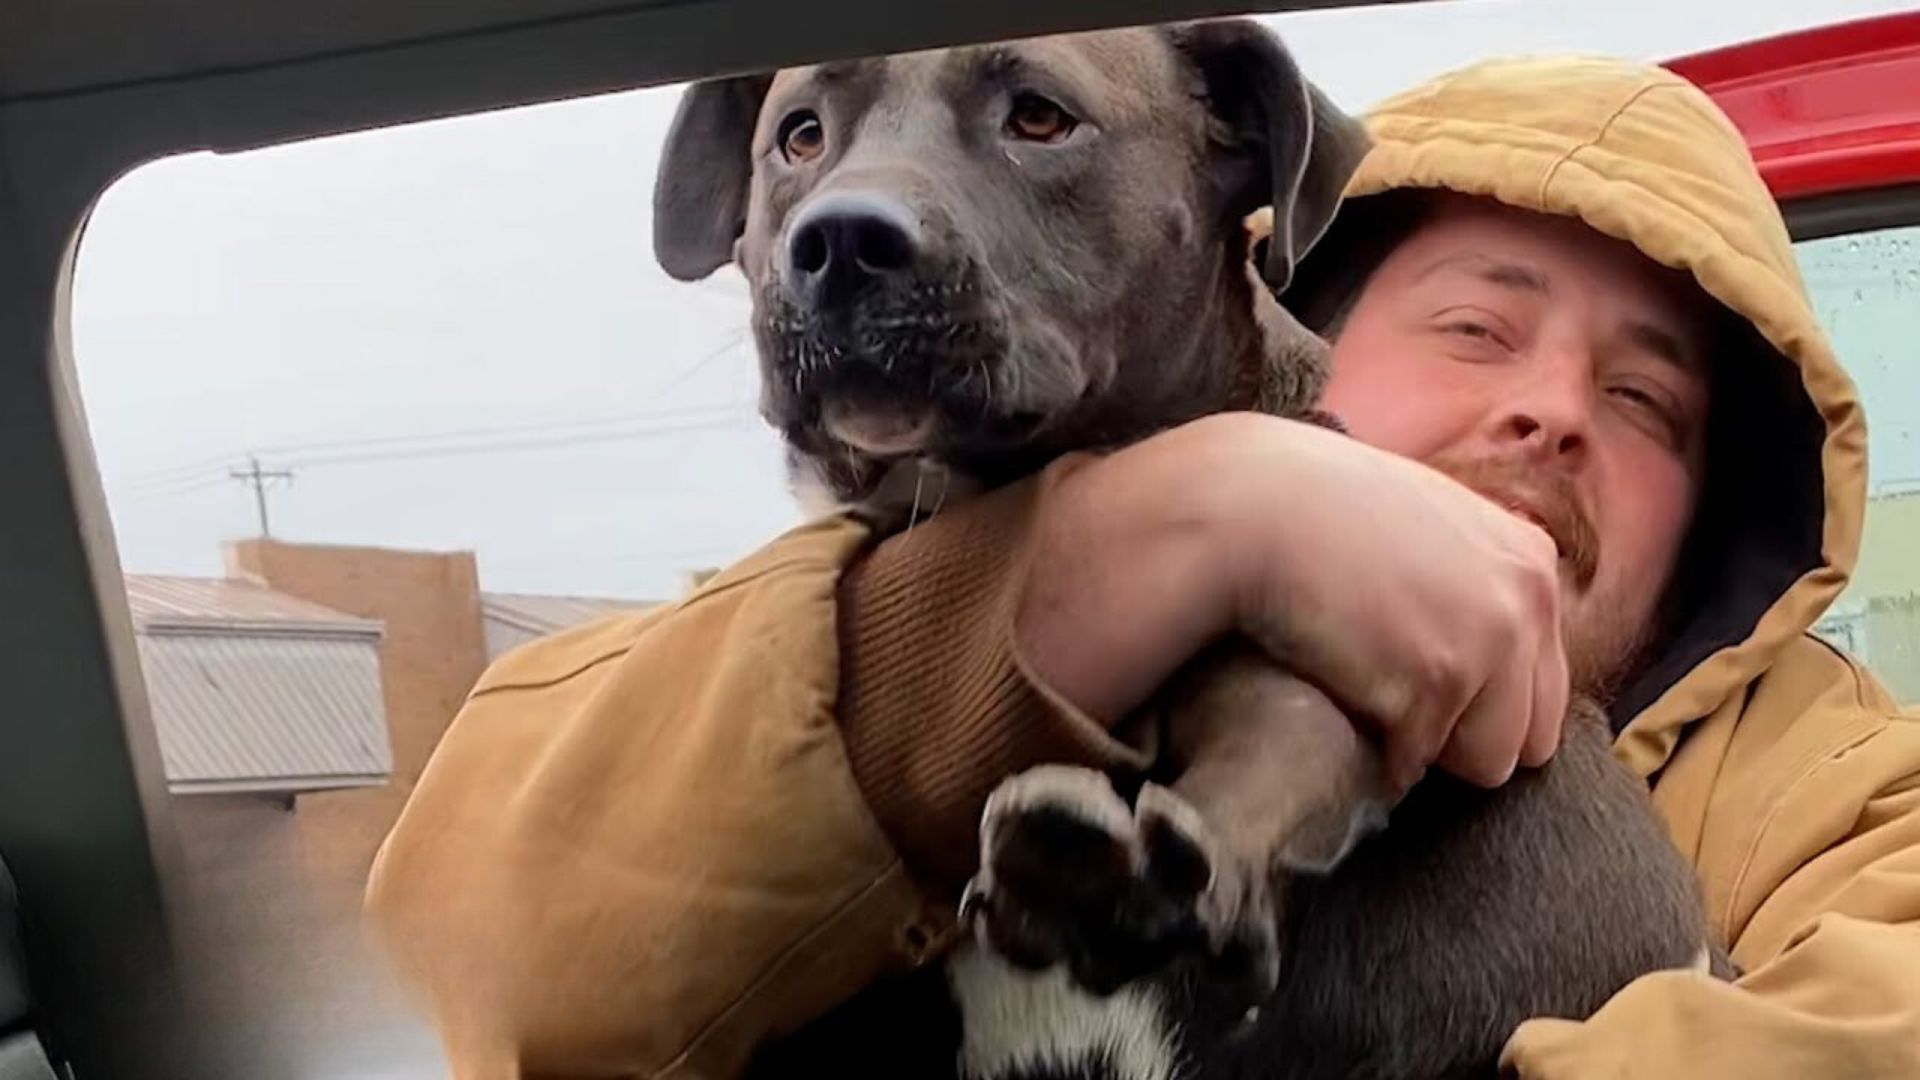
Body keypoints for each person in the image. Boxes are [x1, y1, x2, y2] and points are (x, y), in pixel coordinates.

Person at [363, 51, 1920, 1079]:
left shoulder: (1845, 787)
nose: (1548, 409)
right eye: (1475, 326)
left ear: (1725, 505)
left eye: (1643, 399)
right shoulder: (836, 596)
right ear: (1283, 310)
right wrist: (1131, 553)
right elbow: (483, 935)